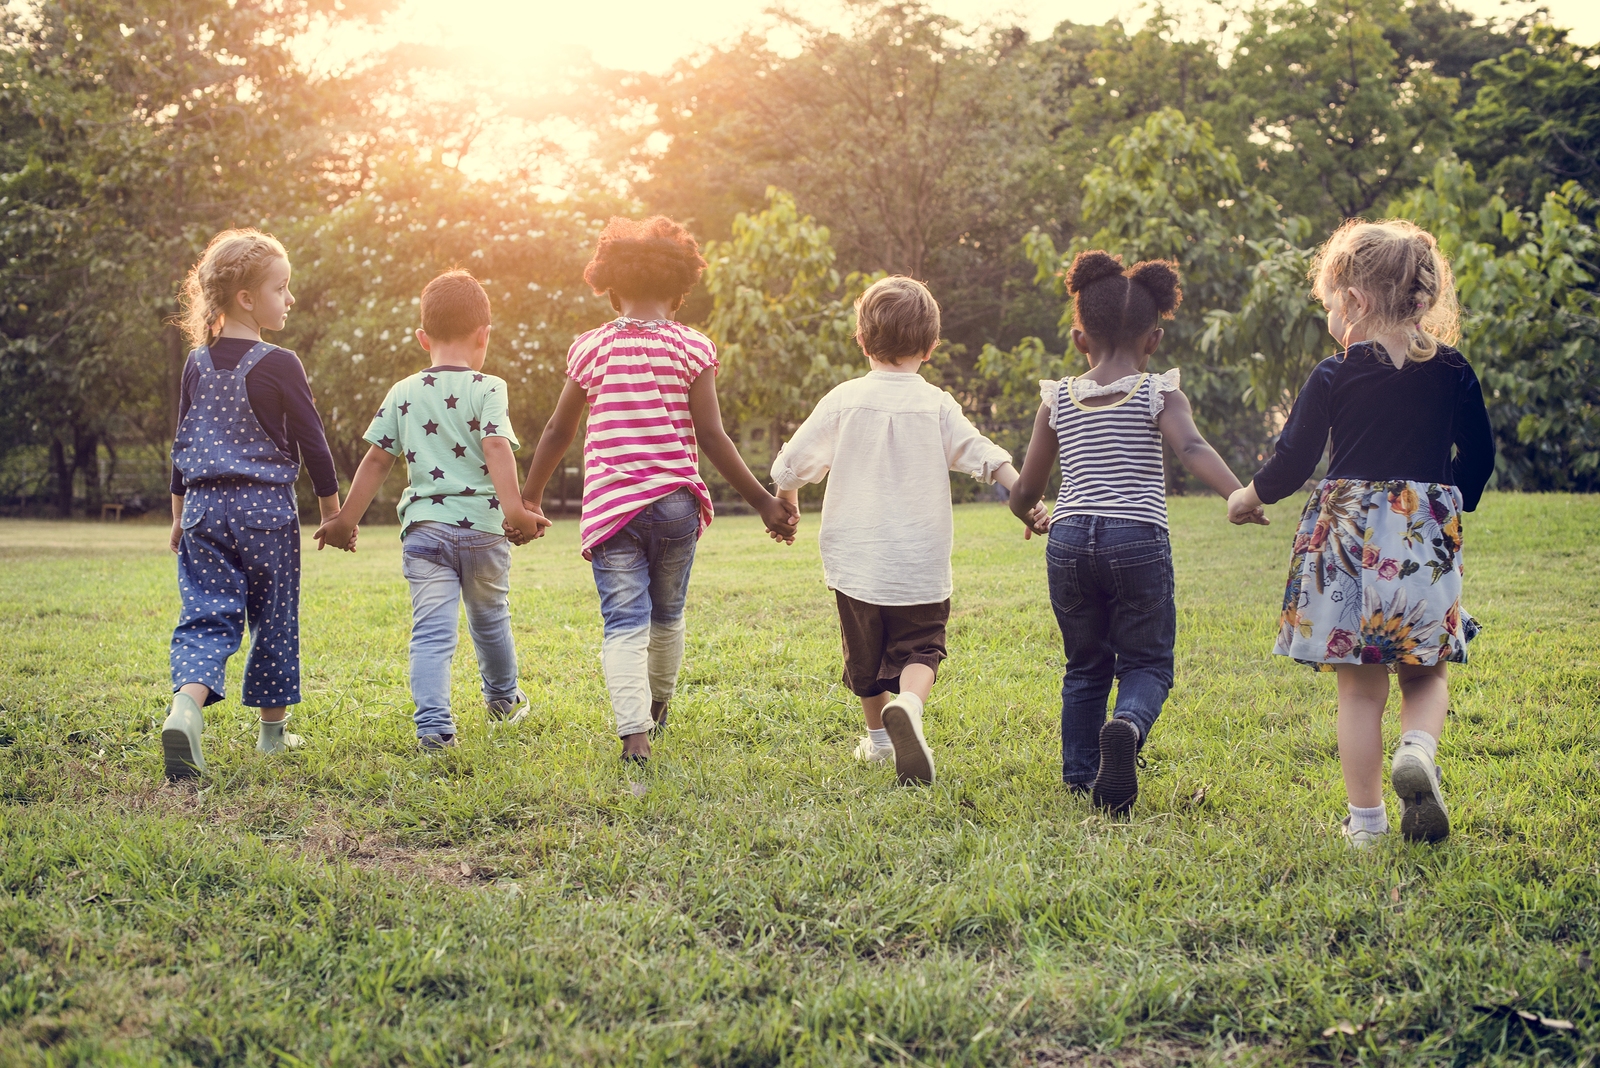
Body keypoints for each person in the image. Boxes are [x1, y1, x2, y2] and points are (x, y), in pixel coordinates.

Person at [1228, 219, 1494, 847]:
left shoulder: (1334, 372)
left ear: (1355, 301)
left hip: (1347, 543)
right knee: (1425, 674)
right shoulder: (1453, 369)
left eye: (1329, 302)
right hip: (1423, 541)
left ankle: (1367, 825)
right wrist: (1448, 502)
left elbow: (1293, 460)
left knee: (1359, 690)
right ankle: (1419, 749)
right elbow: (1479, 456)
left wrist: (1247, 495)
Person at [511, 216, 798, 763]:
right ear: (680, 289)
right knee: (667, 614)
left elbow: (558, 430)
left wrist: (530, 498)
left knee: (623, 621)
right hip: (674, 506)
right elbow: (712, 436)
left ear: (611, 288)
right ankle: (658, 709)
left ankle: (634, 736)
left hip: (612, 509)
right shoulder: (693, 347)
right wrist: (763, 501)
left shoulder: (591, 348)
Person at [1007, 252, 1265, 813]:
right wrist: (1237, 495)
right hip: (1137, 537)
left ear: (1080, 340)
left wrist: (1030, 515)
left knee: (1084, 664)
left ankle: (1080, 776)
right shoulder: (1158, 393)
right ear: (1154, 339)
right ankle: (1126, 725)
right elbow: (1191, 447)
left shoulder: (1057, 399)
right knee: (1146, 663)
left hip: (1070, 538)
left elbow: (1025, 489)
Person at [771, 276, 1047, 787]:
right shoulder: (937, 404)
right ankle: (911, 706)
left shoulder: (844, 399)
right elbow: (983, 455)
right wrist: (1024, 501)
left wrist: (788, 508)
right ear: (931, 345)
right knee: (924, 645)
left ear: (861, 339)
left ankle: (878, 741)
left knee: (864, 655)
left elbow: (790, 466)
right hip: (918, 559)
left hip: (855, 561)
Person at [314, 271, 548, 749]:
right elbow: (497, 447)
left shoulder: (403, 391)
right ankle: (503, 701)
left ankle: (435, 729)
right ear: (484, 334)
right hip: (483, 531)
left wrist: (344, 521)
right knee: (491, 620)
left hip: (424, 535)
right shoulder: (489, 387)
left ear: (423, 338)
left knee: (431, 633)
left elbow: (377, 459)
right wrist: (516, 511)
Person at [163, 228, 347, 780]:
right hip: (264, 511)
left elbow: (183, 441)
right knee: (273, 619)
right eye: (281, 288)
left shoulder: (197, 362)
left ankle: (186, 709)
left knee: (206, 617)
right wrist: (333, 513)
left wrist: (177, 519)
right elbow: (314, 442)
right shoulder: (280, 362)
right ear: (247, 298)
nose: (289, 299)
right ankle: (271, 735)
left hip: (201, 510)